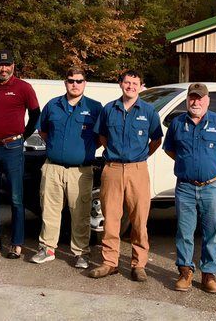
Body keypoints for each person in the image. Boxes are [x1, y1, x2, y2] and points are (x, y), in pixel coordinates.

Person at [86, 69, 163, 281]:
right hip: (111, 169)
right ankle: (110, 263)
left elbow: (157, 139)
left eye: (134, 83)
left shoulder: (148, 111)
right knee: (111, 218)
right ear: (121, 84)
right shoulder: (109, 109)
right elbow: (102, 135)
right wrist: (115, 154)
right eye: (127, 82)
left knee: (139, 219)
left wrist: (142, 155)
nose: (130, 86)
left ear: (141, 86)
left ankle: (139, 265)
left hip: (137, 170)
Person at [163, 83, 216, 294]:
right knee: (184, 231)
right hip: (185, 187)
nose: (196, 102)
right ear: (187, 100)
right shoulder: (177, 124)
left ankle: (209, 274)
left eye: (200, 98)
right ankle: (185, 272)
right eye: (192, 98)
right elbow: (170, 150)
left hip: (211, 187)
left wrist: (213, 168)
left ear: (207, 100)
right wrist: (189, 166)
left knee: (210, 232)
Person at [31, 67, 103, 269]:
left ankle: (81, 253)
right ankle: (47, 249)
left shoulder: (95, 107)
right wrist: (57, 149)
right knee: (49, 211)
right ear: (65, 82)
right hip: (53, 168)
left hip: (80, 171)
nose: (75, 84)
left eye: (79, 81)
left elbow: (99, 138)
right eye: (71, 80)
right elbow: (43, 131)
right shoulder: (53, 105)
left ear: (85, 83)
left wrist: (82, 151)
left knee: (80, 213)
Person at [0, 49, 40, 259]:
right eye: (0, 65)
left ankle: (17, 243)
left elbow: (35, 115)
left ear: (13, 65)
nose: (3, 69)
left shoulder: (24, 88)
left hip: (12, 148)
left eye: (7, 65)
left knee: (16, 197)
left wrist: (22, 135)